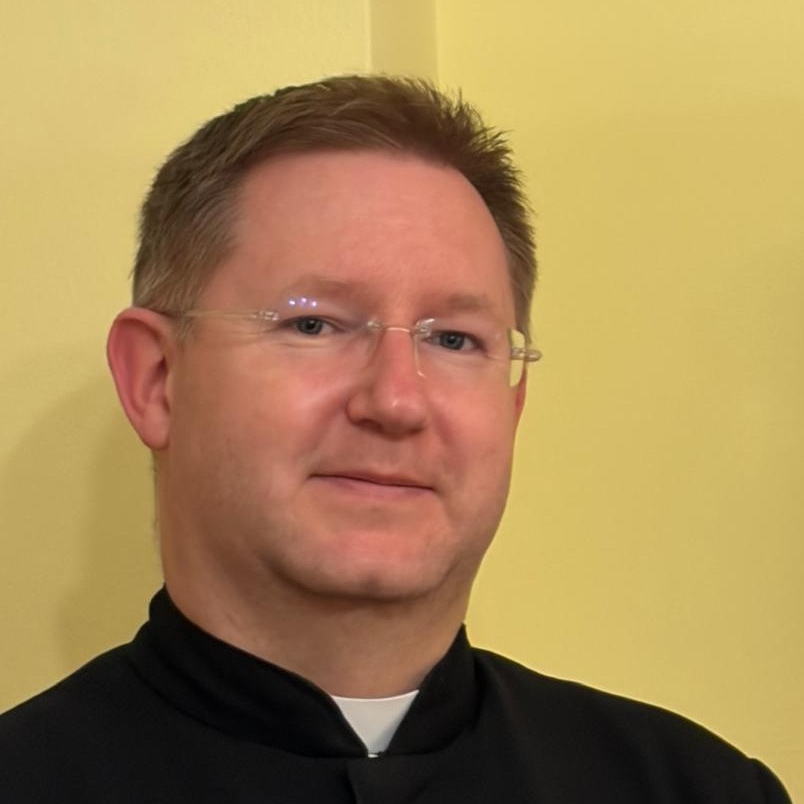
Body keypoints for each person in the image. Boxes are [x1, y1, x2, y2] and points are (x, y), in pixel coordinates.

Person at [0, 75, 791, 803]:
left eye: (454, 339)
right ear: (157, 380)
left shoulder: (701, 790)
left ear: (512, 406)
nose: (397, 400)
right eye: (314, 324)